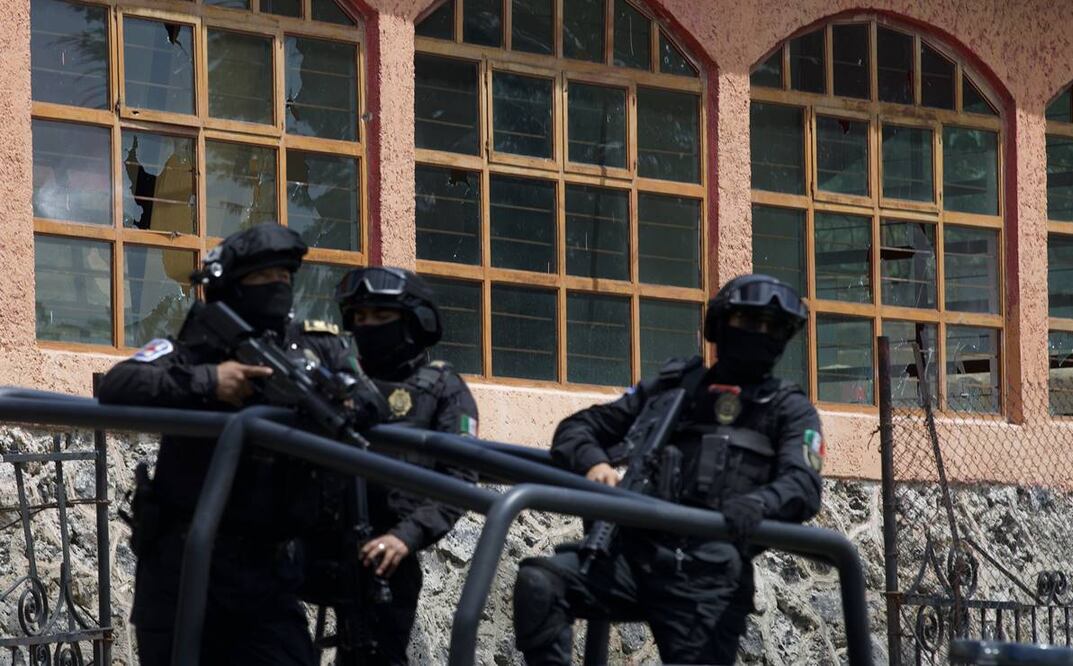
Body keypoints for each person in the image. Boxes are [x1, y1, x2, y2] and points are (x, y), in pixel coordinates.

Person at [98, 224, 384, 666]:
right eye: (264, 278)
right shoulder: (198, 347)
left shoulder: (310, 346)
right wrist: (210, 381)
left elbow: (371, 401)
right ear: (231, 288)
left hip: (266, 580)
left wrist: (337, 397)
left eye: (285, 278)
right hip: (183, 571)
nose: (279, 287)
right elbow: (120, 382)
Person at [512, 273, 825, 665]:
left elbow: (804, 484)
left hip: (708, 580)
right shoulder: (676, 387)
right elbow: (578, 429)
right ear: (719, 326)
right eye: (747, 322)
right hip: (633, 559)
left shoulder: (789, 408)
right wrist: (595, 464)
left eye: (771, 327)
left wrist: (759, 503)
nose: (758, 334)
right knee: (541, 584)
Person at [322, 266, 479, 665]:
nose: (367, 327)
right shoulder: (337, 381)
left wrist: (405, 537)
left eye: (380, 317)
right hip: (320, 545)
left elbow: (458, 481)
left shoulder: (443, 388)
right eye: (359, 318)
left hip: (385, 556)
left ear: (414, 322)